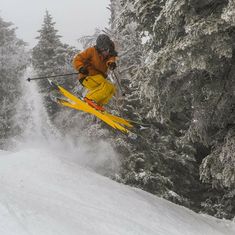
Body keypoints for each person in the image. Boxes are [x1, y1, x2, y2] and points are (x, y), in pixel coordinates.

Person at [72, 34, 118, 111]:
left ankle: (97, 104)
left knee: (112, 88)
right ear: (99, 48)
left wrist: (111, 64)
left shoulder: (110, 54)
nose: (104, 52)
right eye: (102, 50)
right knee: (106, 85)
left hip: (98, 78)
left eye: (106, 49)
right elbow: (77, 59)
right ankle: (89, 99)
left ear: (109, 47)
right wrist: (81, 68)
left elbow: (111, 59)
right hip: (87, 76)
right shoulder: (91, 51)